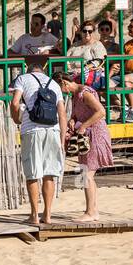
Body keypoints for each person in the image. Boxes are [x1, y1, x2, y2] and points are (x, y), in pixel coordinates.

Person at [10, 53, 67, 225]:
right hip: (53, 130)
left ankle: (34, 215)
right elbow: (62, 113)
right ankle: (47, 215)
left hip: (32, 130)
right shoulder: (54, 84)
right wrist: (62, 140)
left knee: (32, 173)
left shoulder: (22, 79)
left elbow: (14, 103)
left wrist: (16, 119)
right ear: (42, 71)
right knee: (49, 173)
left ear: (29, 70)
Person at [56, 71, 112, 221]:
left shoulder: (85, 93)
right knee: (84, 172)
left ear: (64, 84)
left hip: (95, 134)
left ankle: (91, 212)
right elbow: (77, 114)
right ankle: (92, 210)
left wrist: (84, 125)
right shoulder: (75, 96)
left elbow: (101, 112)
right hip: (86, 135)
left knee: (87, 174)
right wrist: (73, 120)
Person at [67, 21, 108, 88]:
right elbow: (66, 58)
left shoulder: (97, 45)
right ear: (80, 32)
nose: (87, 33)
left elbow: (99, 61)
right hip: (73, 73)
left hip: (89, 74)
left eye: (90, 31)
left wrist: (84, 69)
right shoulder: (75, 45)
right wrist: (69, 67)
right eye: (84, 31)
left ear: (93, 32)